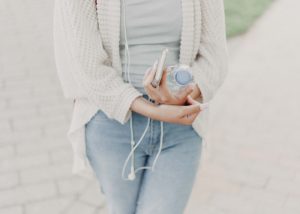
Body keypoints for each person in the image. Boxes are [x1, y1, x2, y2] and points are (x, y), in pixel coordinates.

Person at [53, 0, 228, 213]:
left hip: (180, 130)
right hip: (111, 126)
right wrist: (154, 110)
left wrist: (177, 97)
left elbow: (215, 58)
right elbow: (87, 66)